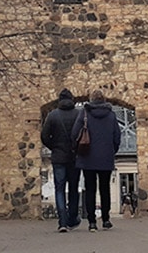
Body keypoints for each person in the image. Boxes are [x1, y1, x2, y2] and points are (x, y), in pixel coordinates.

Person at [71, 89, 121, 232]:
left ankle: (92, 221)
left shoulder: (84, 113)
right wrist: (112, 151)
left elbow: (75, 133)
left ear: (91, 99)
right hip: (105, 156)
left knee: (90, 188)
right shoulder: (111, 115)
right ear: (103, 99)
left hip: (87, 156)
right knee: (105, 188)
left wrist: (77, 150)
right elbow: (117, 136)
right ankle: (105, 219)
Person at [40, 88, 82, 232]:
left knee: (59, 189)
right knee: (73, 188)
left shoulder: (52, 116)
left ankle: (62, 222)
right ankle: (72, 218)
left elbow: (44, 136)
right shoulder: (78, 114)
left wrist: (54, 147)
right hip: (74, 157)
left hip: (58, 157)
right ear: (72, 99)